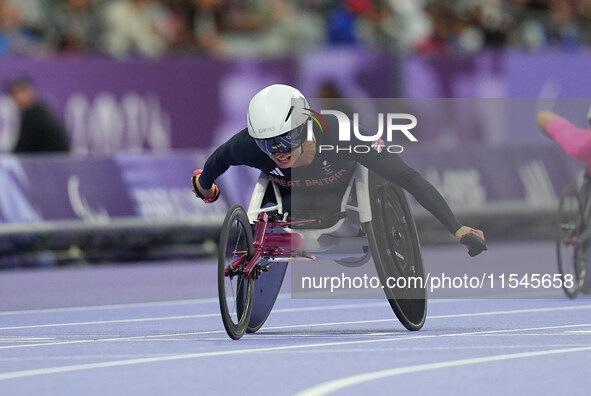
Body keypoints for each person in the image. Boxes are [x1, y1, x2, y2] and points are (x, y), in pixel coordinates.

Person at [191, 84, 487, 256]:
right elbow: (214, 165)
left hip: (347, 204)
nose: (278, 152)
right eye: (267, 145)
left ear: (304, 126)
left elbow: (407, 177)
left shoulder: (342, 133)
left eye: (286, 140)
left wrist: (457, 228)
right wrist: (206, 189)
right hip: (292, 206)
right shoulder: (246, 145)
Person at [5, 76, 70, 154]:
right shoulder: (36, 112)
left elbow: (21, 151)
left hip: (54, 164)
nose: (17, 98)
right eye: (13, 94)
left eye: (21, 92)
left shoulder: (35, 117)